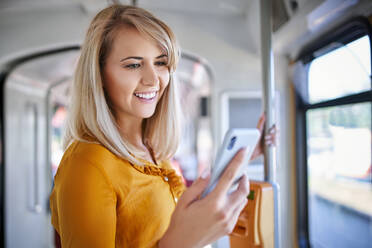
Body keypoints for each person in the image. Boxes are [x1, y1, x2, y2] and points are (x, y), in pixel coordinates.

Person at [49, 4, 275, 248]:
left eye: (160, 62)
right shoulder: (87, 164)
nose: (153, 79)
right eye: (133, 64)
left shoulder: (150, 149)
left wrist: (243, 156)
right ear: (100, 75)